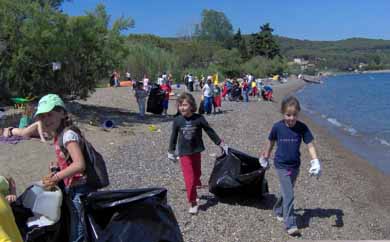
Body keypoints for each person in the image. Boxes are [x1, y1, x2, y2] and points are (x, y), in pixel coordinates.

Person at [36, 94, 96, 242]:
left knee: (79, 226)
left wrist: (56, 177)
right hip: (74, 187)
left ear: (62, 113)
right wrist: (58, 166)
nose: (46, 120)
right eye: (42, 117)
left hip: (81, 189)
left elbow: (79, 165)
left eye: (50, 114)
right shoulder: (60, 135)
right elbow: (69, 160)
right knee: (75, 221)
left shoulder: (68, 135)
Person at [260, 96, 321, 236]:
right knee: (289, 194)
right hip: (281, 165)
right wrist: (265, 156)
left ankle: (278, 210)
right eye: (288, 115)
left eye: (294, 115)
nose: (291, 118)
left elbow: (310, 145)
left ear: (298, 113)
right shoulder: (277, 127)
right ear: (283, 113)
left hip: (295, 166)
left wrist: (315, 161)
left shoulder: (302, 128)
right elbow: (270, 142)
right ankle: (290, 224)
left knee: (285, 192)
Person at [168, 93, 227, 215]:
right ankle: (193, 202)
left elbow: (209, 131)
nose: (182, 108)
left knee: (197, 174)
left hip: (196, 150)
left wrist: (220, 143)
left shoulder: (199, 118)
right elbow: (173, 136)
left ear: (191, 106)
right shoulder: (178, 120)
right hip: (184, 153)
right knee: (189, 178)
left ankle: (195, 186)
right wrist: (171, 151)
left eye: (185, 105)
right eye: (180, 105)